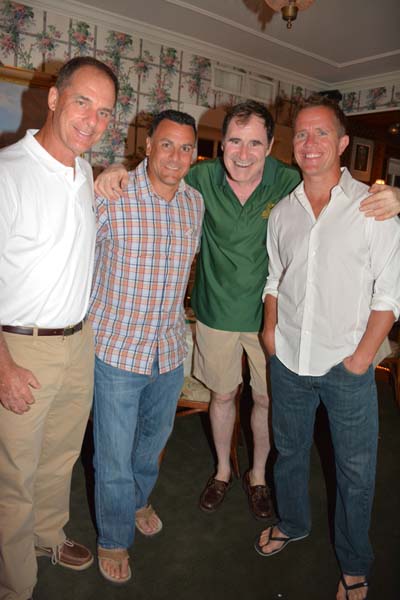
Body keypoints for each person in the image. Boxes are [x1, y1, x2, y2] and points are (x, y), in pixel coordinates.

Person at [94, 100, 400, 522]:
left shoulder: (291, 181)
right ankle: (222, 469)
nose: (243, 153)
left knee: (265, 398)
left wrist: (394, 195)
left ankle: (257, 475)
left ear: (272, 145)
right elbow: (156, 171)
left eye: (255, 143)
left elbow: (346, 197)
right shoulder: (199, 177)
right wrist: (116, 171)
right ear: (221, 146)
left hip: (270, 320)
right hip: (216, 312)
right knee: (222, 395)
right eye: (234, 141)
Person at [255, 96, 400, 600]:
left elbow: (389, 295)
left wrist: (362, 359)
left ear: (342, 144)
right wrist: (271, 330)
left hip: (347, 365)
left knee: (355, 470)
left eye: (321, 134)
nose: (309, 143)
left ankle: (355, 563)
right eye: (301, 134)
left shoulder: (374, 209)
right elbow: (275, 277)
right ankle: (293, 522)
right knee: (289, 452)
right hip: (290, 358)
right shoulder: (284, 214)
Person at [0, 57, 118, 600]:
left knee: (62, 456)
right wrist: (4, 365)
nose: (93, 121)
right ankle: (15, 580)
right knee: (13, 475)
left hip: (78, 341)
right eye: (82, 103)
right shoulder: (8, 172)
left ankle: (49, 535)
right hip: (21, 346)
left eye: (105, 112)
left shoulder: (83, 175)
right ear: (53, 98)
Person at [89, 109, 204, 583]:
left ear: (195, 155)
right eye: (166, 144)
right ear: (148, 145)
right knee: (113, 455)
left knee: (151, 445)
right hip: (117, 350)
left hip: (170, 350)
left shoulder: (195, 203)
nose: (175, 156)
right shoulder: (111, 195)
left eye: (185, 148)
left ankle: (137, 501)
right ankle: (114, 539)